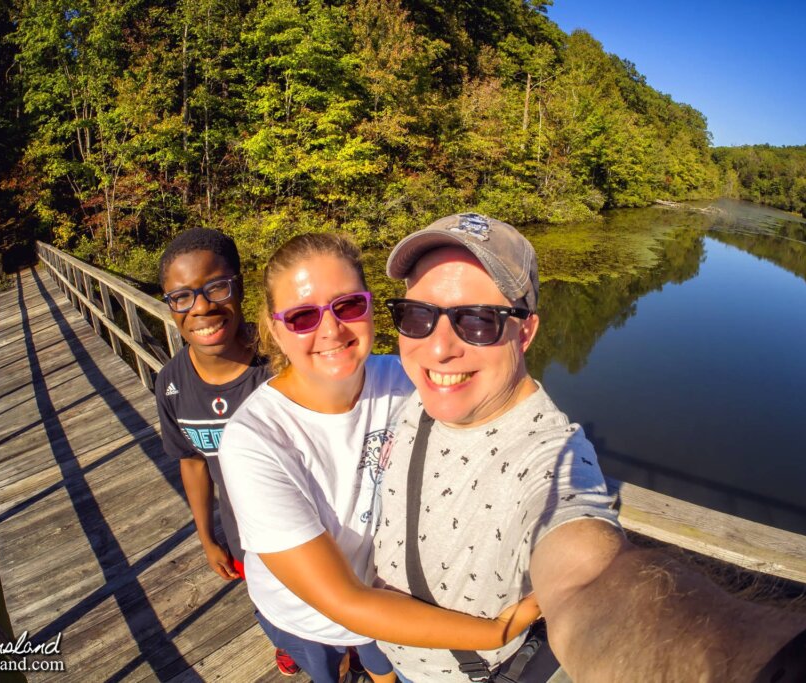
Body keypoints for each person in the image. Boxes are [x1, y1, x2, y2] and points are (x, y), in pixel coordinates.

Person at [374, 213, 806, 682]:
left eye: (477, 320)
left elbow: (590, 578)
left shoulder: (549, 458)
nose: (438, 347)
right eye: (416, 315)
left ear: (527, 331)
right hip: (386, 650)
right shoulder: (396, 385)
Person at [217, 233, 541, 683]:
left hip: (390, 600)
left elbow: (498, 420)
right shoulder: (256, 441)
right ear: (274, 329)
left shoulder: (407, 380)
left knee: (382, 669)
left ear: (370, 306)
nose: (330, 330)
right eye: (302, 316)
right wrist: (496, 633)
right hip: (309, 617)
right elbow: (344, 601)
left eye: (348, 306)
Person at [153, 228, 299, 676]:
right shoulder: (171, 385)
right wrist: (206, 537)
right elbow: (194, 463)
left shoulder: (283, 357)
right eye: (182, 297)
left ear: (238, 286)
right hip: (244, 535)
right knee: (272, 607)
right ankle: (287, 641)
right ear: (170, 305)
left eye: (216, 287)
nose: (201, 307)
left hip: (314, 521)